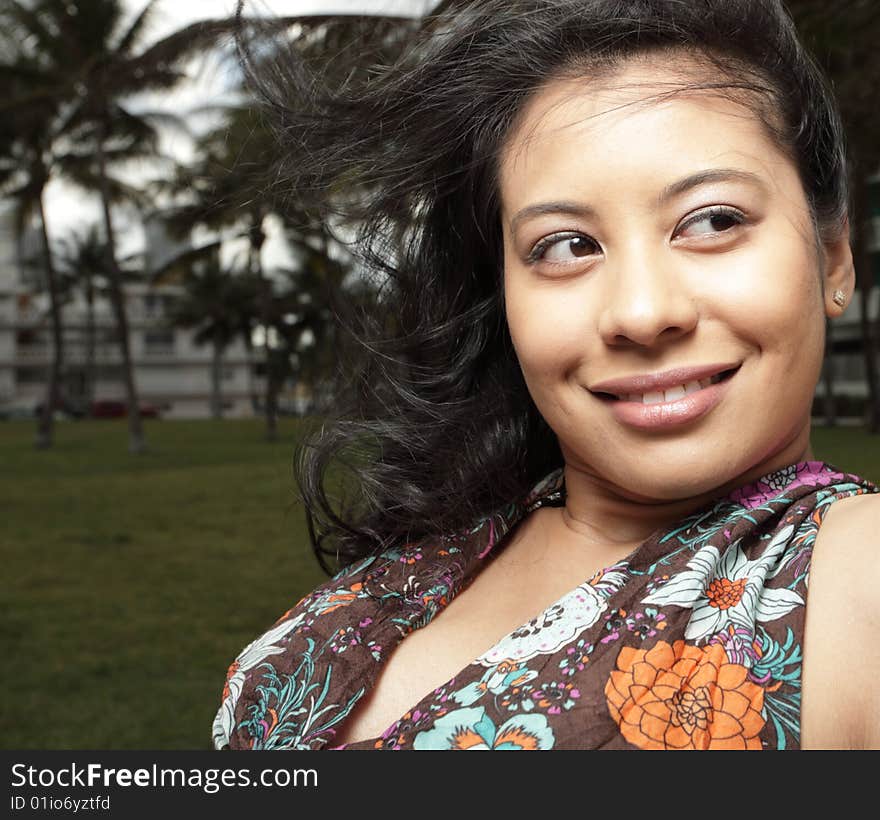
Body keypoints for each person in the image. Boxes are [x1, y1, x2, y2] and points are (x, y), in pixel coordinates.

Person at [213, 0, 880, 750]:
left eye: (713, 220)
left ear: (834, 256)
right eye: (566, 245)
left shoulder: (856, 575)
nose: (640, 311)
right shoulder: (441, 550)